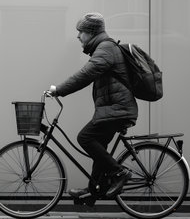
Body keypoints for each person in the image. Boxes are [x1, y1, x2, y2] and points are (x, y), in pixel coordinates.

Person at [48, 12, 137, 200]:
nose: (78, 36)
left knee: (85, 138)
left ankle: (119, 172)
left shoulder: (105, 49)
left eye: (80, 31)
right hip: (113, 108)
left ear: (90, 32)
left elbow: (86, 74)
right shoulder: (104, 48)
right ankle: (94, 190)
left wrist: (59, 90)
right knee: (99, 147)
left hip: (117, 109)